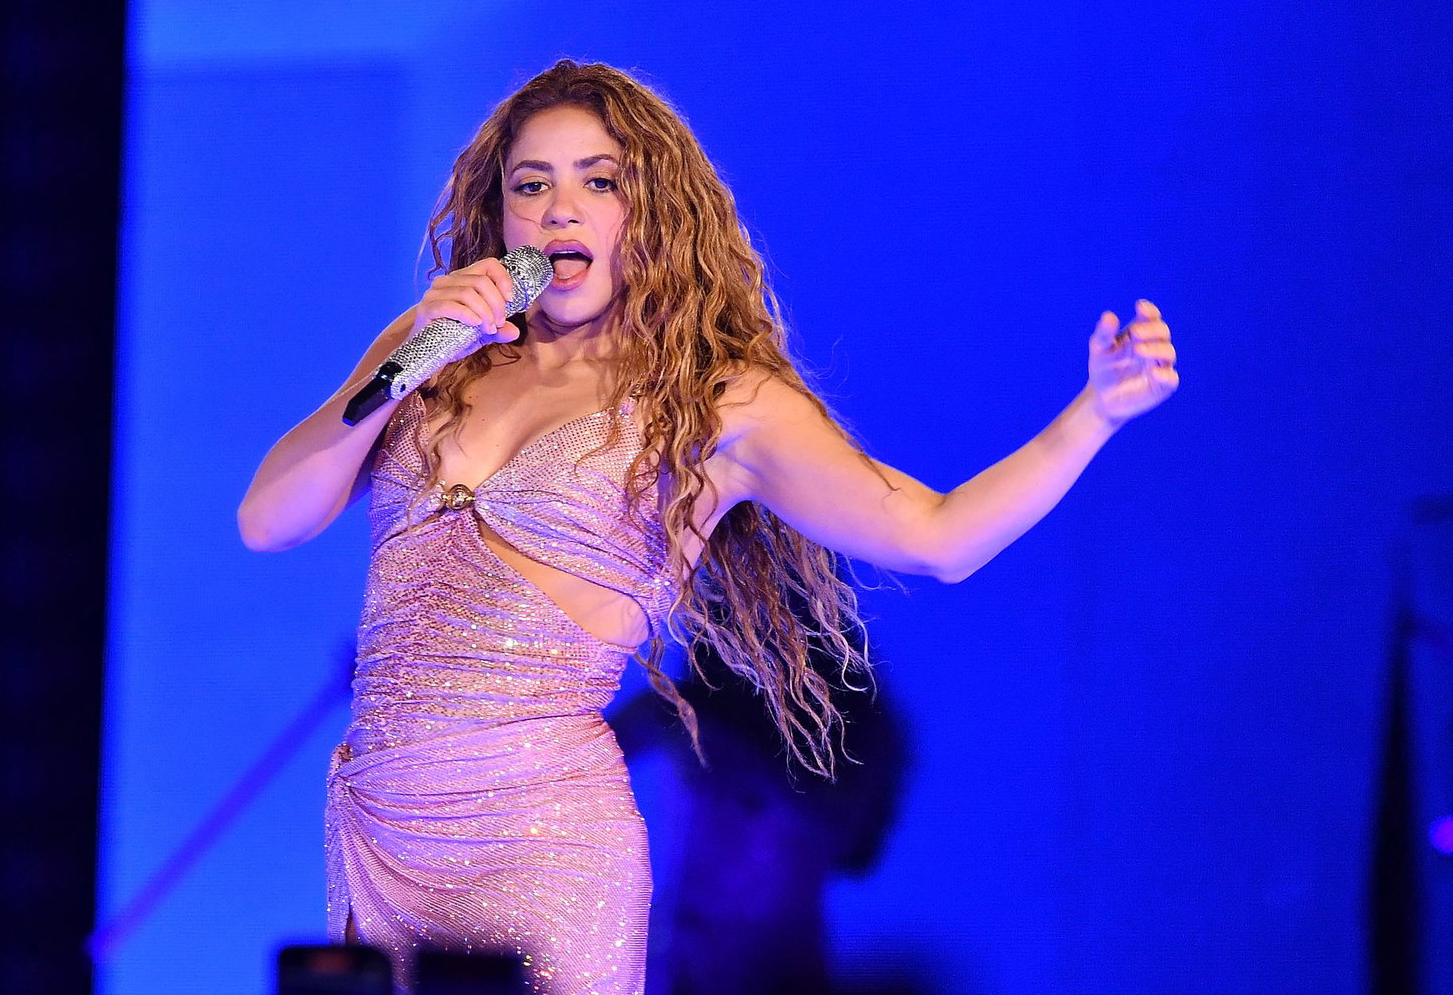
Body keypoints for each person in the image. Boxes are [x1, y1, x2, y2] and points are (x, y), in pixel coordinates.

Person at [237, 59, 1178, 995]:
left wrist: (1092, 414)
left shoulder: (715, 404)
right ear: (500, 216)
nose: (561, 211)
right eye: (533, 186)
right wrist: (402, 364)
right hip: (379, 833)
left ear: (648, 212)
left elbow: (935, 535)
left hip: (540, 840)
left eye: (599, 182)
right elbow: (267, 519)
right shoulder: (432, 354)